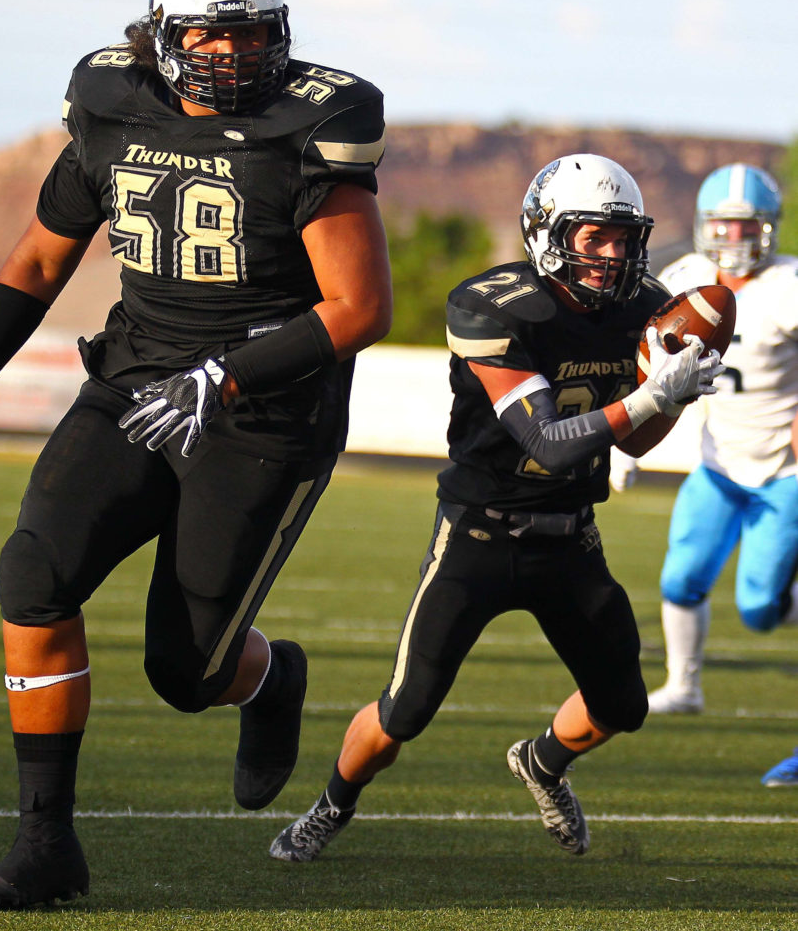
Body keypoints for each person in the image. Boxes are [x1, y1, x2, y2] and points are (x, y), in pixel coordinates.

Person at [0, 0, 391, 908]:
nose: (230, 53)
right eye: (208, 31)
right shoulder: (112, 102)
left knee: (182, 669)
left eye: (249, 34)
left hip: (266, 411)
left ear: (280, 36)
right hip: (134, 381)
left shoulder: (312, 124)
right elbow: (39, 261)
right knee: (33, 574)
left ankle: (267, 676)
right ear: (161, 33)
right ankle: (45, 845)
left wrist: (227, 377)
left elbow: (357, 308)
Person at [268, 154, 723, 863]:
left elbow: (635, 440)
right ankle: (331, 805)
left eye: (623, 237)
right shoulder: (490, 304)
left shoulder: (641, 306)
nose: (611, 253)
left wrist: (673, 394)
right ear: (546, 233)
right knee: (404, 710)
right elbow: (545, 436)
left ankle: (541, 763)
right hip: (479, 535)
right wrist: (650, 394)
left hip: (570, 536)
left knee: (621, 706)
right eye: (592, 235)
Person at [608, 163, 798, 783]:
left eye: (747, 225)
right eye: (724, 223)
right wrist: (624, 443)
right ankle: (683, 686)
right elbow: (644, 360)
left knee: (760, 608)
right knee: (682, 576)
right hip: (717, 464)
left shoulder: (788, 285)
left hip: (783, 469)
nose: (735, 236)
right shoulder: (685, 278)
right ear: (702, 226)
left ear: (768, 228)